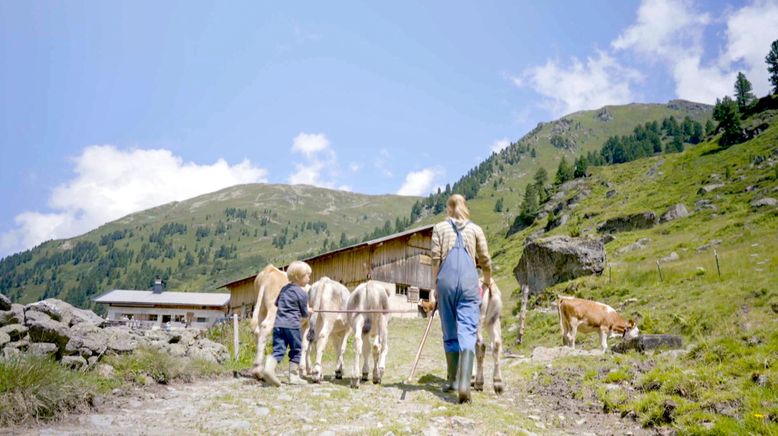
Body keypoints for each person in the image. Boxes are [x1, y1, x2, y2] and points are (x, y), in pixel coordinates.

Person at [431, 194, 492, 403]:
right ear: (465, 208)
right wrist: (487, 280)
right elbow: (485, 259)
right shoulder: (476, 229)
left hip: (445, 281)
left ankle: (452, 380)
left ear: (449, 209)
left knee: (450, 331)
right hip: (469, 282)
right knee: (467, 330)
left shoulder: (439, 228)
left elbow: (435, 259)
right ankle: (465, 382)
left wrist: (436, 286)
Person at [261, 260, 312, 386]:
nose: (309, 278)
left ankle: (269, 366)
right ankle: (294, 377)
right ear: (299, 278)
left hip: (278, 325)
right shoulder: (302, 293)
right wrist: (309, 311)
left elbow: (277, 304)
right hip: (292, 326)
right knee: (296, 349)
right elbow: (304, 314)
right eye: (307, 275)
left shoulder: (283, 289)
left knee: (278, 350)